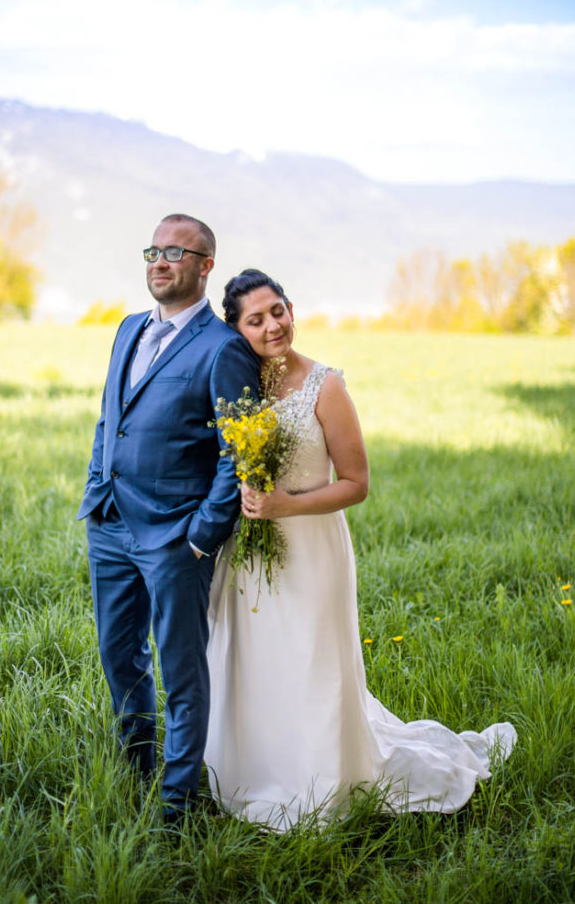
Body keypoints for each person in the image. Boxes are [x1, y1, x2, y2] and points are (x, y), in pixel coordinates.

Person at [205, 269, 516, 830]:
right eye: (256, 319)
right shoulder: (236, 385)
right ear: (237, 331)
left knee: (310, 661)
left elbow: (356, 483)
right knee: (256, 661)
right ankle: (258, 768)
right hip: (249, 550)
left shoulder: (325, 385)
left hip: (312, 547)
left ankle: (323, 779)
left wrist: (284, 507)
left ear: (292, 308)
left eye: (278, 310)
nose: (273, 324)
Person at [78, 216, 259, 825]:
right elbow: (110, 420)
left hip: (175, 537)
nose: (159, 261)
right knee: (118, 653)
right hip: (109, 524)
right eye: (153, 250)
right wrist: (94, 489)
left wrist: (202, 536)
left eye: (175, 252)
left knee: (182, 671)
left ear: (205, 265)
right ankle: (135, 771)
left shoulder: (223, 347)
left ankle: (175, 807)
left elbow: (240, 453)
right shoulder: (128, 329)